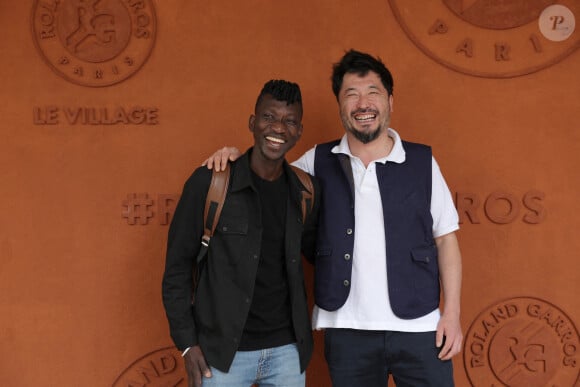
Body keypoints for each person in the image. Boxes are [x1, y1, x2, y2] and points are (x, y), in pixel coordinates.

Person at [204, 50, 463, 386]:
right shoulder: (318, 161)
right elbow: (264, 177)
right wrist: (236, 157)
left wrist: (452, 314)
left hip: (420, 328)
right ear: (340, 105)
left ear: (390, 101)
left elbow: (446, 239)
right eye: (351, 95)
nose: (363, 103)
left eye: (373, 92)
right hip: (346, 332)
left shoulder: (421, 162)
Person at [162, 79, 320, 387]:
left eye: (289, 121)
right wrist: (186, 344)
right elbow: (177, 269)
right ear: (253, 122)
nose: (278, 128)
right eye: (269, 117)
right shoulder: (210, 183)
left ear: (299, 132)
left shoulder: (305, 192)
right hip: (222, 355)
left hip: (288, 352)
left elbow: (321, 255)